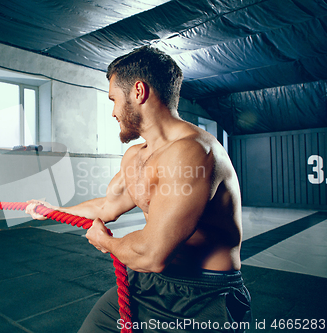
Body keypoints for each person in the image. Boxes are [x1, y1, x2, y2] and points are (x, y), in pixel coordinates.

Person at [26, 46, 251, 332]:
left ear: (138, 92)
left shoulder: (194, 151)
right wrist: (53, 210)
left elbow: (152, 254)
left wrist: (105, 242)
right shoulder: (136, 155)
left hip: (204, 295)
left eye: (114, 100)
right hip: (148, 286)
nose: (113, 112)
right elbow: (108, 206)